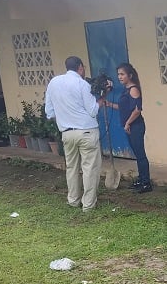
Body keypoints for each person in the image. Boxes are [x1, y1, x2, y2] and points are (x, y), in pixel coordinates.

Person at [45, 56, 105, 212]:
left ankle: (73, 200)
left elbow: (49, 113)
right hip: (86, 131)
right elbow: (92, 110)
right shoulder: (82, 84)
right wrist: (101, 99)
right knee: (89, 169)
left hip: (67, 133)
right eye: (83, 67)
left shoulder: (53, 83)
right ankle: (88, 205)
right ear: (80, 67)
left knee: (71, 168)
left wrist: (66, 116)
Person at [107, 62, 151, 193]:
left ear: (130, 75)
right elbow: (124, 108)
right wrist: (109, 104)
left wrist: (128, 123)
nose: (119, 77)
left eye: (122, 74)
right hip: (130, 126)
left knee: (141, 154)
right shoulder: (127, 90)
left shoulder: (133, 89)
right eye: (118, 74)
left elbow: (137, 110)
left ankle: (146, 183)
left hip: (136, 126)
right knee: (137, 154)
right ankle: (141, 179)